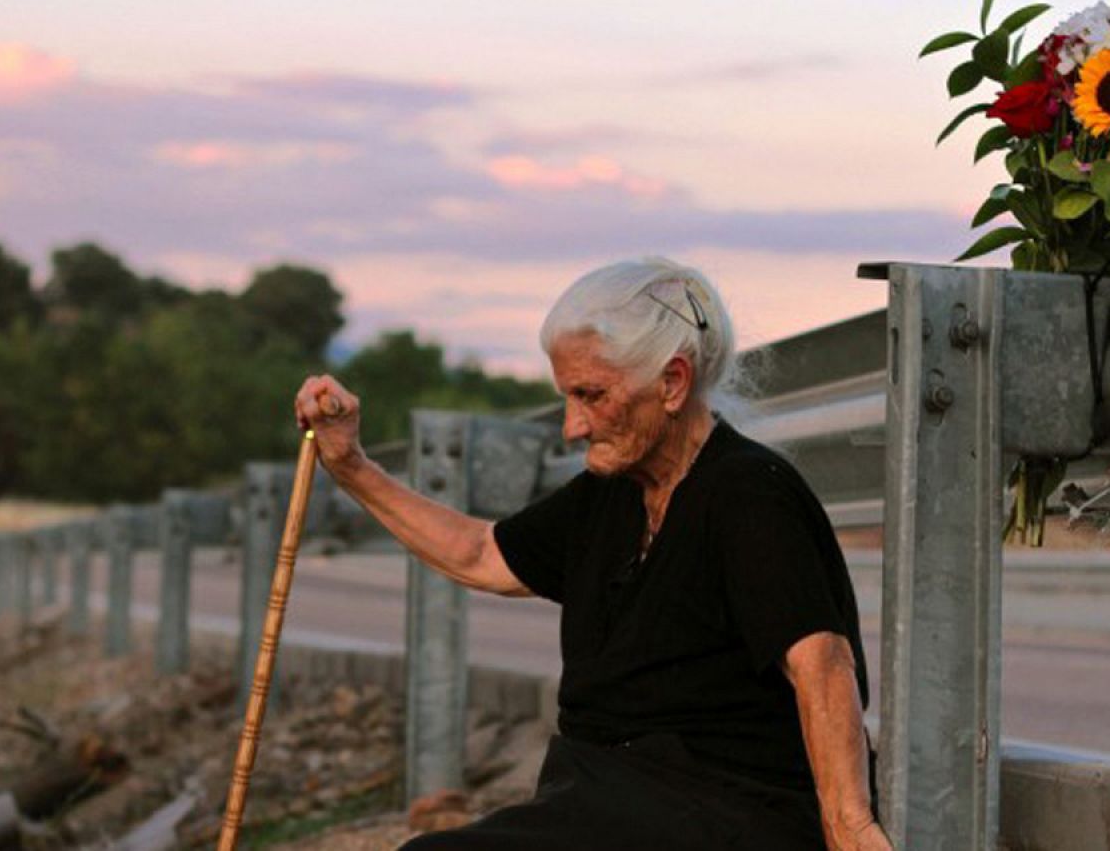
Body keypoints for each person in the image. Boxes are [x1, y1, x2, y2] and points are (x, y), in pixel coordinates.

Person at [294, 258, 890, 851]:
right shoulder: (612, 494)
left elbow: (821, 663)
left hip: (723, 810)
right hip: (610, 801)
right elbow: (479, 553)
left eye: (591, 396)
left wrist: (849, 827)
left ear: (673, 382)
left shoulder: (749, 492)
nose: (571, 427)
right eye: (566, 397)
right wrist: (351, 466)